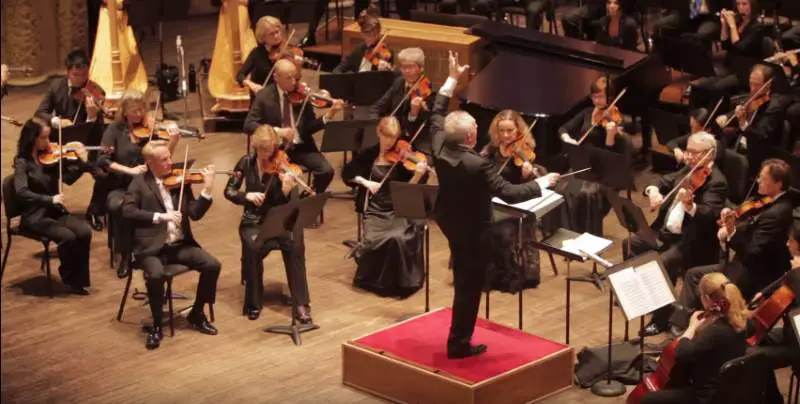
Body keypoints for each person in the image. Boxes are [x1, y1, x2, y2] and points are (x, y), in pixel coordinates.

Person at [432, 51, 559, 358]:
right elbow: (510, 193)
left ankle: (459, 337)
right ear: (469, 136)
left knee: (463, 272)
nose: (479, 128)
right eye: (476, 126)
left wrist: (451, 78)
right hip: (474, 229)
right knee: (468, 286)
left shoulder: (438, 145)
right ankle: (459, 343)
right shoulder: (477, 164)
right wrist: (542, 182)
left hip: (448, 219)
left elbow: (435, 112)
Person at [670, 158, 794, 330]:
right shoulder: (769, 199)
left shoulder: (777, 213)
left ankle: (689, 328)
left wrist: (732, 233)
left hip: (754, 271)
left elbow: (753, 251)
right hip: (744, 261)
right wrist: (731, 214)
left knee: (696, 277)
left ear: (778, 183)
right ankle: (687, 324)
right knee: (693, 274)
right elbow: (750, 219)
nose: (757, 180)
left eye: (763, 178)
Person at [626, 132, 728, 336]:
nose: (688, 156)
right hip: (666, 233)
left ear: (710, 154)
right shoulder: (689, 169)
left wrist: (690, 205)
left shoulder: (717, 182)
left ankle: (661, 318)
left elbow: (708, 216)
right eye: (687, 151)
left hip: (690, 241)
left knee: (661, 265)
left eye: (693, 152)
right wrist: (653, 191)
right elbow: (663, 181)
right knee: (634, 242)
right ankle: (644, 293)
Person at [121, 142, 221, 350]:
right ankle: (157, 326)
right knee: (156, 275)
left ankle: (197, 313)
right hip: (150, 248)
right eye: (164, 159)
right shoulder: (139, 183)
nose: (170, 162)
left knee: (212, 265)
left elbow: (195, 213)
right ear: (150, 163)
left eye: (169, 157)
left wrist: (208, 189)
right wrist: (161, 217)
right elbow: (127, 211)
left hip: (178, 245)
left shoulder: (179, 181)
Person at [224, 124, 313, 322]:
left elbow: (284, 205)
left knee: (295, 245)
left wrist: (286, 191)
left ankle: (301, 303)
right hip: (253, 221)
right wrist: (246, 195)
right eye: (262, 149)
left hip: (278, 219)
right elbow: (229, 192)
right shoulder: (245, 163)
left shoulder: (281, 165)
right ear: (255, 146)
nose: (267, 154)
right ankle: (254, 301)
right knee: (253, 247)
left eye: (271, 149)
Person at [341, 116, 427, 298]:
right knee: (376, 240)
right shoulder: (368, 154)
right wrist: (364, 182)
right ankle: (376, 281)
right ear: (379, 133)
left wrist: (418, 175)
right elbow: (347, 173)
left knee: (399, 237)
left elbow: (409, 191)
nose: (390, 142)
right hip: (374, 210)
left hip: (397, 209)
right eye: (386, 137)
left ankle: (402, 283)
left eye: (394, 137)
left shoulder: (403, 159)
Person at [98, 90, 181, 278]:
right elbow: (103, 161)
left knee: (166, 200)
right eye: (133, 110)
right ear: (124, 111)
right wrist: (130, 171)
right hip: (122, 185)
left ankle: (160, 245)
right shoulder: (114, 131)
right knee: (118, 205)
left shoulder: (151, 129)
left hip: (147, 185)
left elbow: (162, 158)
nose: (138, 114)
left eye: (141, 110)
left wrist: (174, 139)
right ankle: (125, 253)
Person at [12, 118, 92, 295]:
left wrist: (81, 162)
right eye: (44, 138)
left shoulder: (49, 158)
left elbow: (69, 179)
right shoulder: (22, 163)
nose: (49, 142)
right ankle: (68, 275)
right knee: (68, 237)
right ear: (33, 138)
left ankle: (78, 281)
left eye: (49, 137)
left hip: (54, 212)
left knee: (84, 232)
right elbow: (21, 191)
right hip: (35, 217)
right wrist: (49, 199)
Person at [640, 273, 748, 404]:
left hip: (706, 397)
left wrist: (691, 328)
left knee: (647, 400)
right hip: (731, 389)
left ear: (707, 299)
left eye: (701, 296)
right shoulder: (742, 320)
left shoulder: (714, 332)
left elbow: (681, 352)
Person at [243, 59, 344, 200]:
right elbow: (248, 125)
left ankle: (307, 201)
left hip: (302, 148)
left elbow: (308, 127)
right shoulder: (264, 96)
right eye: (288, 78)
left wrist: (328, 115)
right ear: (276, 77)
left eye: (295, 77)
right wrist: (277, 131)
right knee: (277, 182)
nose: (293, 82)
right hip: (275, 150)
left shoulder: (302, 95)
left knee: (326, 171)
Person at [34, 48, 107, 231]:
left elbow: (98, 130)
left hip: (86, 146)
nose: (81, 80)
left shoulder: (95, 91)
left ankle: (94, 210)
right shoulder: (56, 87)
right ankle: (52, 207)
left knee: (104, 170)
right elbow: (40, 113)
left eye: (84, 75)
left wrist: (91, 117)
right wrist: (56, 121)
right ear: (68, 72)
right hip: (61, 143)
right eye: (76, 74)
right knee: (43, 167)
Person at [479, 110, 547, 292]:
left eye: (510, 131)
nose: (506, 135)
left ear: (519, 130)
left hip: (516, 206)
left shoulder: (525, 152)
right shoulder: (490, 149)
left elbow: (534, 186)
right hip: (494, 202)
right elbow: (480, 169)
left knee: (499, 230)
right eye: (502, 131)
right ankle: (483, 274)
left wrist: (526, 176)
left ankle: (505, 277)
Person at [748, 221, 800, 404]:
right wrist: (764, 292)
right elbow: (784, 279)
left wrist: (796, 274)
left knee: (750, 358)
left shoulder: (797, 276)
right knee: (751, 338)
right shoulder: (795, 273)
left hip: (797, 346)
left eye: (791, 240)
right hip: (789, 333)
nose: (787, 244)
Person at [690, 0, 768, 107]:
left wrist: (732, 25)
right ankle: (696, 119)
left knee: (719, 88)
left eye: (745, 4)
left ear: (753, 6)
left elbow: (739, 47)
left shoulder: (758, 27)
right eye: (738, 4)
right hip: (731, 68)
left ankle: (716, 119)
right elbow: (725, 44)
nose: (741, 7)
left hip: (746, 73)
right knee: (697, 86)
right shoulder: (738, 22)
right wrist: (724, 24)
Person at [714, 64, 785, 180]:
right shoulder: (752, 97)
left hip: (759, 150)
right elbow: (738, 111)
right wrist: (726, 117)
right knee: (716, 141)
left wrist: (743, 123)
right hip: (741, 141)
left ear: (768, 85)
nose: (752, 88)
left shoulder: (774, 107)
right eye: (751, 83)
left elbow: (760, 135)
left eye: (757, 85)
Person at [370, 47, 436, 158]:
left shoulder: (429, 93)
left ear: (421, 68)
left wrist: (413, 114)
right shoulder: (398, 82)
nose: (407, 71)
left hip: (416, 141)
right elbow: (377, 107)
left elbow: (418, 128)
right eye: (404, 67)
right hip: (393, 137)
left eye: (411, 67)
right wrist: (378, 126)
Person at [559, 76, 628, 153]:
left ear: (610, 97)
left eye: (600, 96)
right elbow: (563, 128)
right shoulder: (587, 112)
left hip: (601, 159)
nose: (596, 100)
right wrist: (568, 139)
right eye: (594, 97)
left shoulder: (617, 118)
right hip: (582, 155)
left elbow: (612, 153)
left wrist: (610, 135)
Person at [237, 16, 285, 97]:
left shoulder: (286, 50)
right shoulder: (257, 53)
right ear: (262, 37)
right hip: (263, 97)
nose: (276, 36)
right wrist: (251, 85)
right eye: (271, 34)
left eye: (277, 31)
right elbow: (240, 75)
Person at [332, 10, 393, 74]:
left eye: (375, 34)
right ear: (362, 34)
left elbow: (391, 76)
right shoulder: (359, 49)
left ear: (379, 33)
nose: (372, 37)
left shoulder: (386, 52)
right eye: (368, 34)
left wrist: (385, 70)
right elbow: (338, 69)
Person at [652, 0, 725, 46]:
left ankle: (702, 63)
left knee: (701, 34)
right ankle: (660, 57)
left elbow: (721, 7)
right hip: (685, 15)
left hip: (709, 18)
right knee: (658, 25)